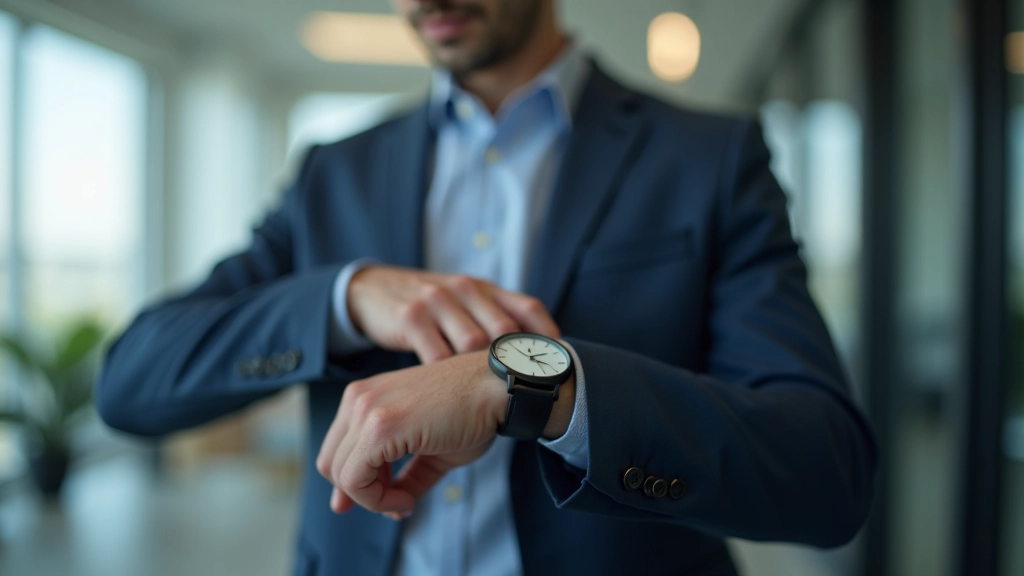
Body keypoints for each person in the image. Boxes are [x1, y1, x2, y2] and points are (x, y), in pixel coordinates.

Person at [96, 0, 878, 574]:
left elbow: (824, 474)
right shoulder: (334, 175)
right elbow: (130, 380)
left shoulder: (709, 160)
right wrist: (345, 296)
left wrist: (538, 387)